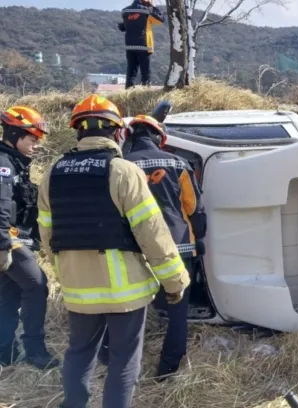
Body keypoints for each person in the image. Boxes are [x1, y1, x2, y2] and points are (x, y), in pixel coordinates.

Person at [36, 94, 190, 408]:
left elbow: (47, 235)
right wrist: (174, 282)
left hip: (78, 289)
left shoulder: (53, 173)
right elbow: (153, 234)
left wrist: (65, 272)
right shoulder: (123, 172)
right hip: (125, 292)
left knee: (78, 353)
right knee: (123, 361)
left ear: (77, 131)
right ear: (117, 132)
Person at [98, 114, 206, 381]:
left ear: (129, 137)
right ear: (161, 137)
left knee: (127, 306)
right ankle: (168, 371)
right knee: (178, 312)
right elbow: (194, 209)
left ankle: (111, 358)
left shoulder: (120, 166)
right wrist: (199, 240)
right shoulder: (179, 163)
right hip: (178, 247)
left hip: (134, 248)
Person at [0, 106, 59, 369]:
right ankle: (35, 350)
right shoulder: (3, 165)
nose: (35, 146)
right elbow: (1, 207)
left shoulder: (13, 162)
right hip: (7, 240)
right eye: (32, 139)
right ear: (14, 134)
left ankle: (5, 352)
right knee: (36, 285)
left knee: (9, 295)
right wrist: (3, 245)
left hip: (12, 239)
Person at [118, 0, 166, 89]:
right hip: (143, 45)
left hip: (129, 46)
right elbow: (161, 19)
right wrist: (154, 7)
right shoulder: (147, 11)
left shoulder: (125, 11)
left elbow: (125, 26)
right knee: (145, 73)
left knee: (131, 72)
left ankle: (129, 92)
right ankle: (145, 91)